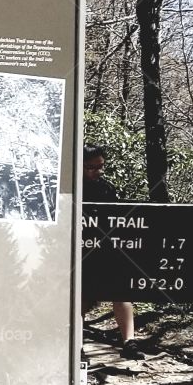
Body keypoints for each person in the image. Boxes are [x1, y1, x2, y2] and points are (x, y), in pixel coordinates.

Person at [81, 144, 144, 360]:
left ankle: (129, 342)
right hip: (79, 253)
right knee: (81, 297)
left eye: (101, 167)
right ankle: (76, 345)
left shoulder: (107, 189)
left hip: (106, 251)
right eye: (91, 167)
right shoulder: (68, 188)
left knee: (121, 291)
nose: (97, 172)